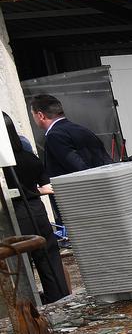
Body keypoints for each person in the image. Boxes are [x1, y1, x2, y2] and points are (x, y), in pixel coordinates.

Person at [2, 112, 71, 303]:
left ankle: (29, 303)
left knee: (20, 265)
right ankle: (59, 296)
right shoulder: (28, 157)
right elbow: (45, 184)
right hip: (37, 210)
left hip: (15, 214)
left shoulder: (6, 164)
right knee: (49, 257)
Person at [28, 94, 113, 176]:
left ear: (40, 115)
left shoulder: (54, 136)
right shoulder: (83, 129)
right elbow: (106, 161)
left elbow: (80, 170)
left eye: (32, 114)